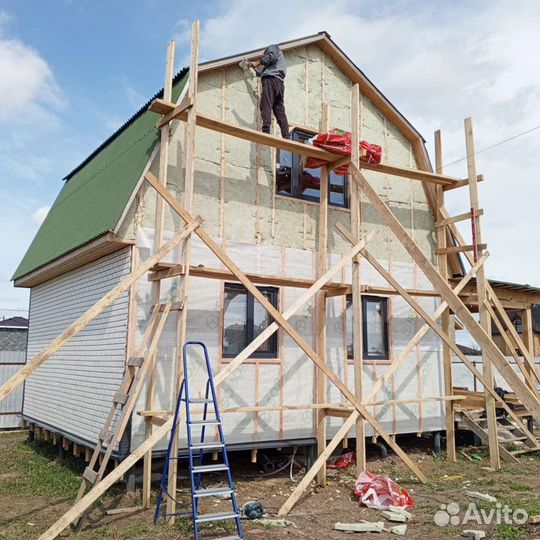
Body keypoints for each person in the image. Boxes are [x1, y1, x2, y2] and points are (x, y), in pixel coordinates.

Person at [249, 45, 290, 138]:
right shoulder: (273, 66)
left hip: (271, 80)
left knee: (265, 103)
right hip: (279, 84)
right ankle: (286, 136)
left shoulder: (272, 48)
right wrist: (254, 68)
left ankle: (266, 131)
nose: (264, 58)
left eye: (264, 56)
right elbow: (261, 73)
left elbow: (271, 57)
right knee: (279, 110)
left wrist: (257, 62)